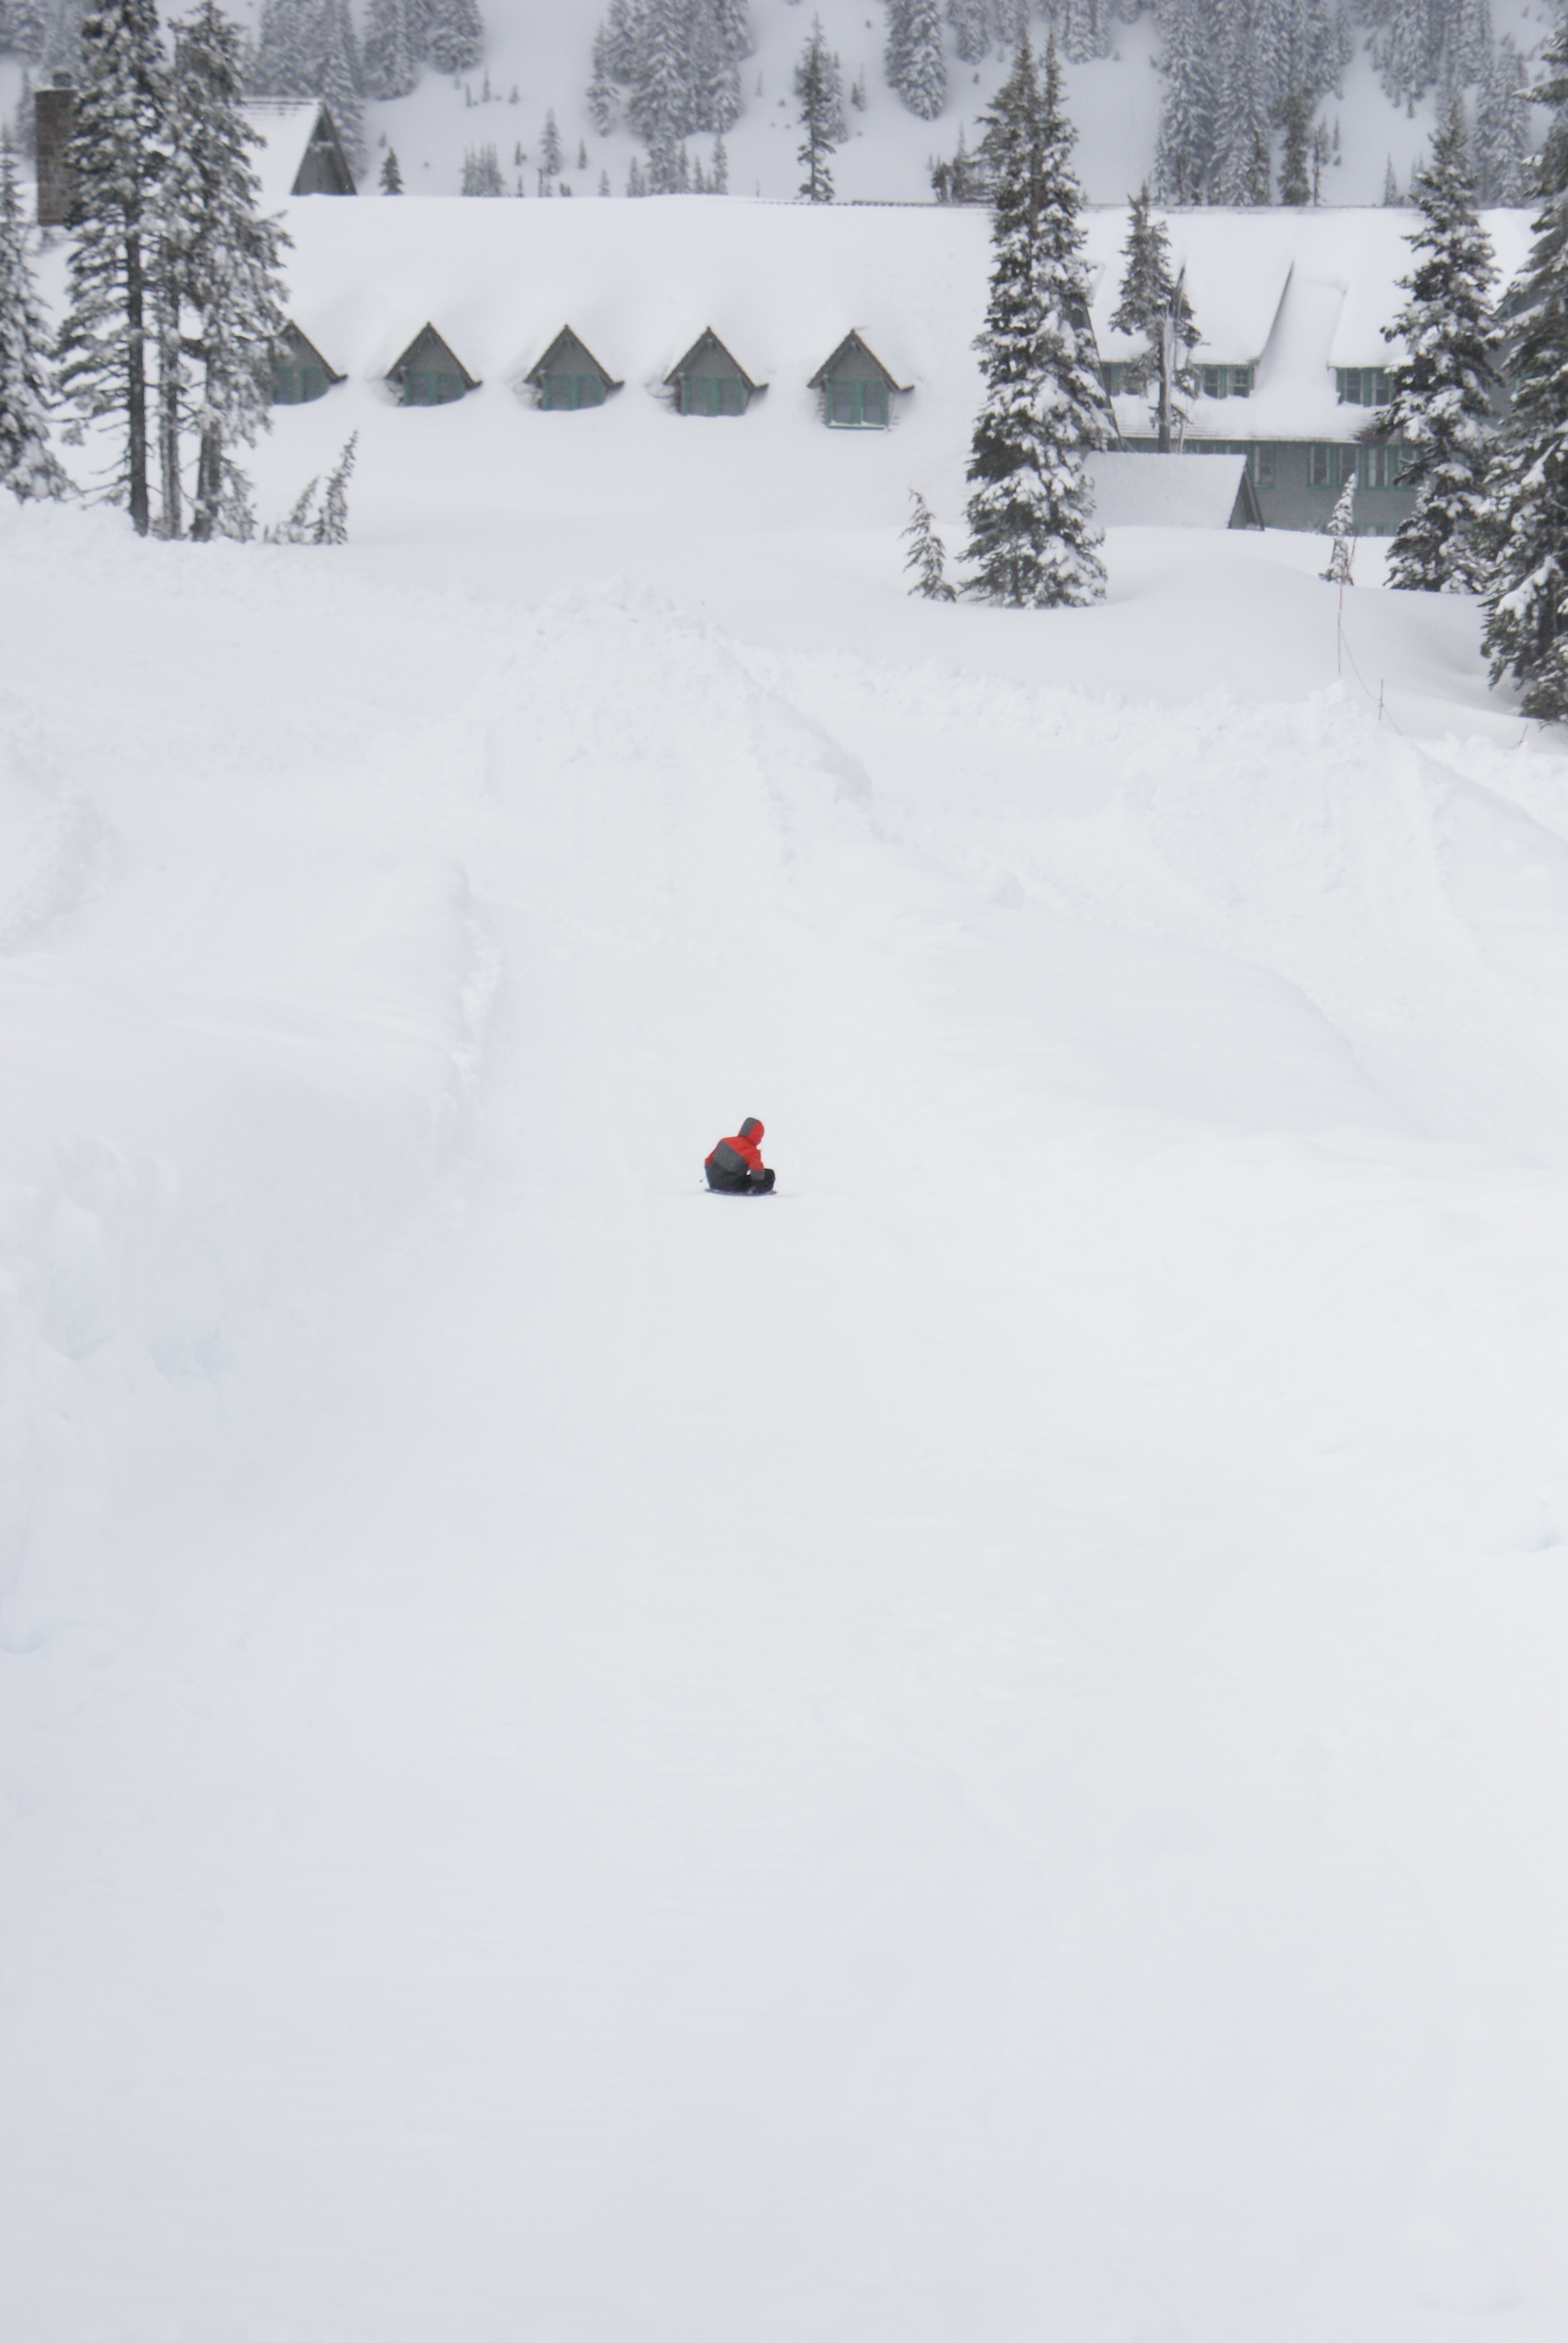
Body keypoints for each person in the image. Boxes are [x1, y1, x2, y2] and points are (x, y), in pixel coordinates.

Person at [705, 1117, 775, 1194]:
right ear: (757, 1136)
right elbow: (757, 1174)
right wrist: (758, 1182)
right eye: (761, 1137)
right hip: (732, 1186)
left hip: (714, 1183)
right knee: (769, 1174)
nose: (760, 1140)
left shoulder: (725, 1141)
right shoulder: (752, 1151)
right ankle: (752, 1190)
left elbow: (708, 1161)